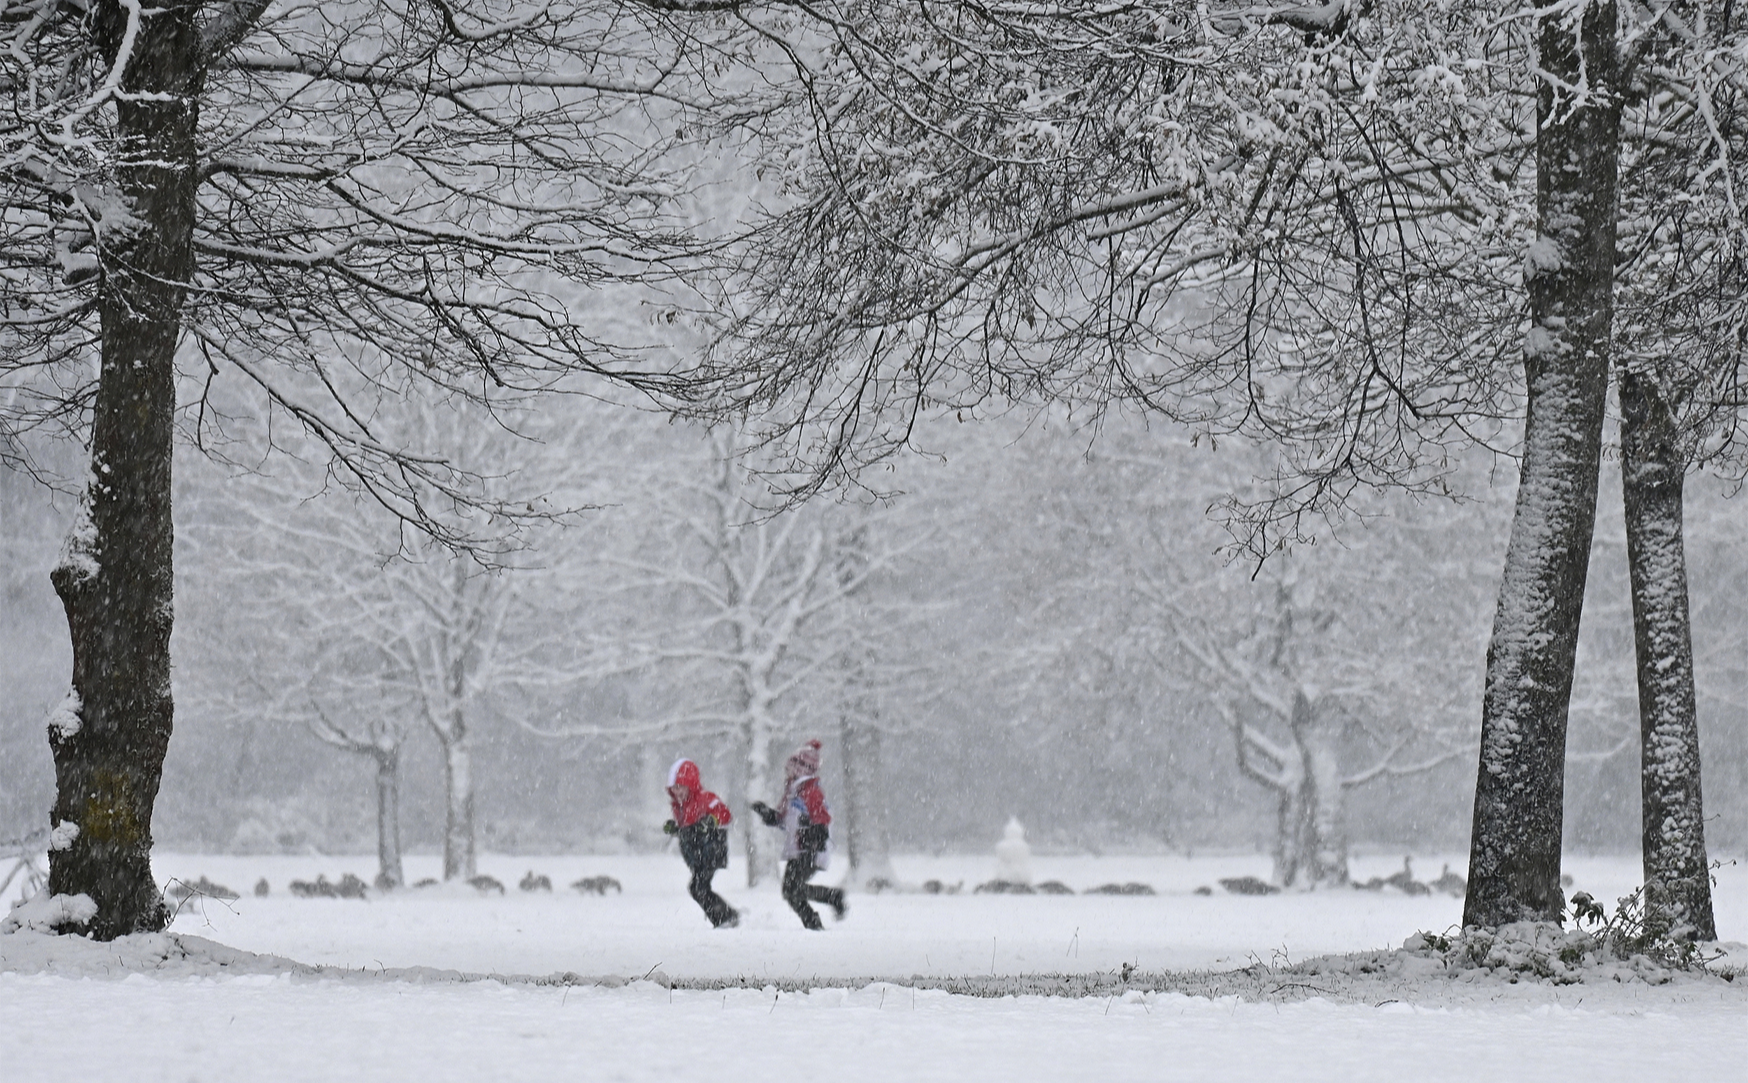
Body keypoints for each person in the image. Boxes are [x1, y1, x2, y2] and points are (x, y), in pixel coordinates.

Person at [752, 739, 846, 930]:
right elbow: (785, 821)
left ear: (802, 769)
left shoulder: (810, 791)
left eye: (791, 767)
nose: (788, 771)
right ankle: (824, 908)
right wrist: (768, 814)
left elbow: (822, 817)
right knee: (790, 891)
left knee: (792, 890)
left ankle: (817, 917)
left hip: (810, 849)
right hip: (798, 849)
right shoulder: (793, 792)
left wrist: (815, 835)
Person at [663, 758, 739, 928]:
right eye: (674, 788)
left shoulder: (705, 798)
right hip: (696, 856)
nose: (678, 792)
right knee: (698, 888)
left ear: (692, 784)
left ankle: (725, 917)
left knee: (698, 887)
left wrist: (711, 820)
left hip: (710, 850)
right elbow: (689, 831)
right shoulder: (679, 807)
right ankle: (726, 916)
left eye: (681, 787)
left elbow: (724, 814)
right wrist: (676, 828)